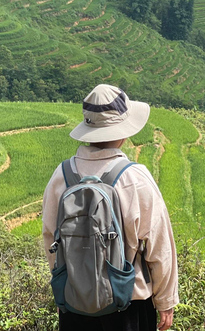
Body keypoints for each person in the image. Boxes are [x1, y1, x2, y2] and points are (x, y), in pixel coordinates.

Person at [42, 84, 179, 331]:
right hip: (127, 304)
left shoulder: (62, 175)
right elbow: (160, 247)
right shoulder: (135, 177)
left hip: (74, 307)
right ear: (123, 132)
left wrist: (75, 283)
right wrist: (165, 301)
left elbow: (50, 238)